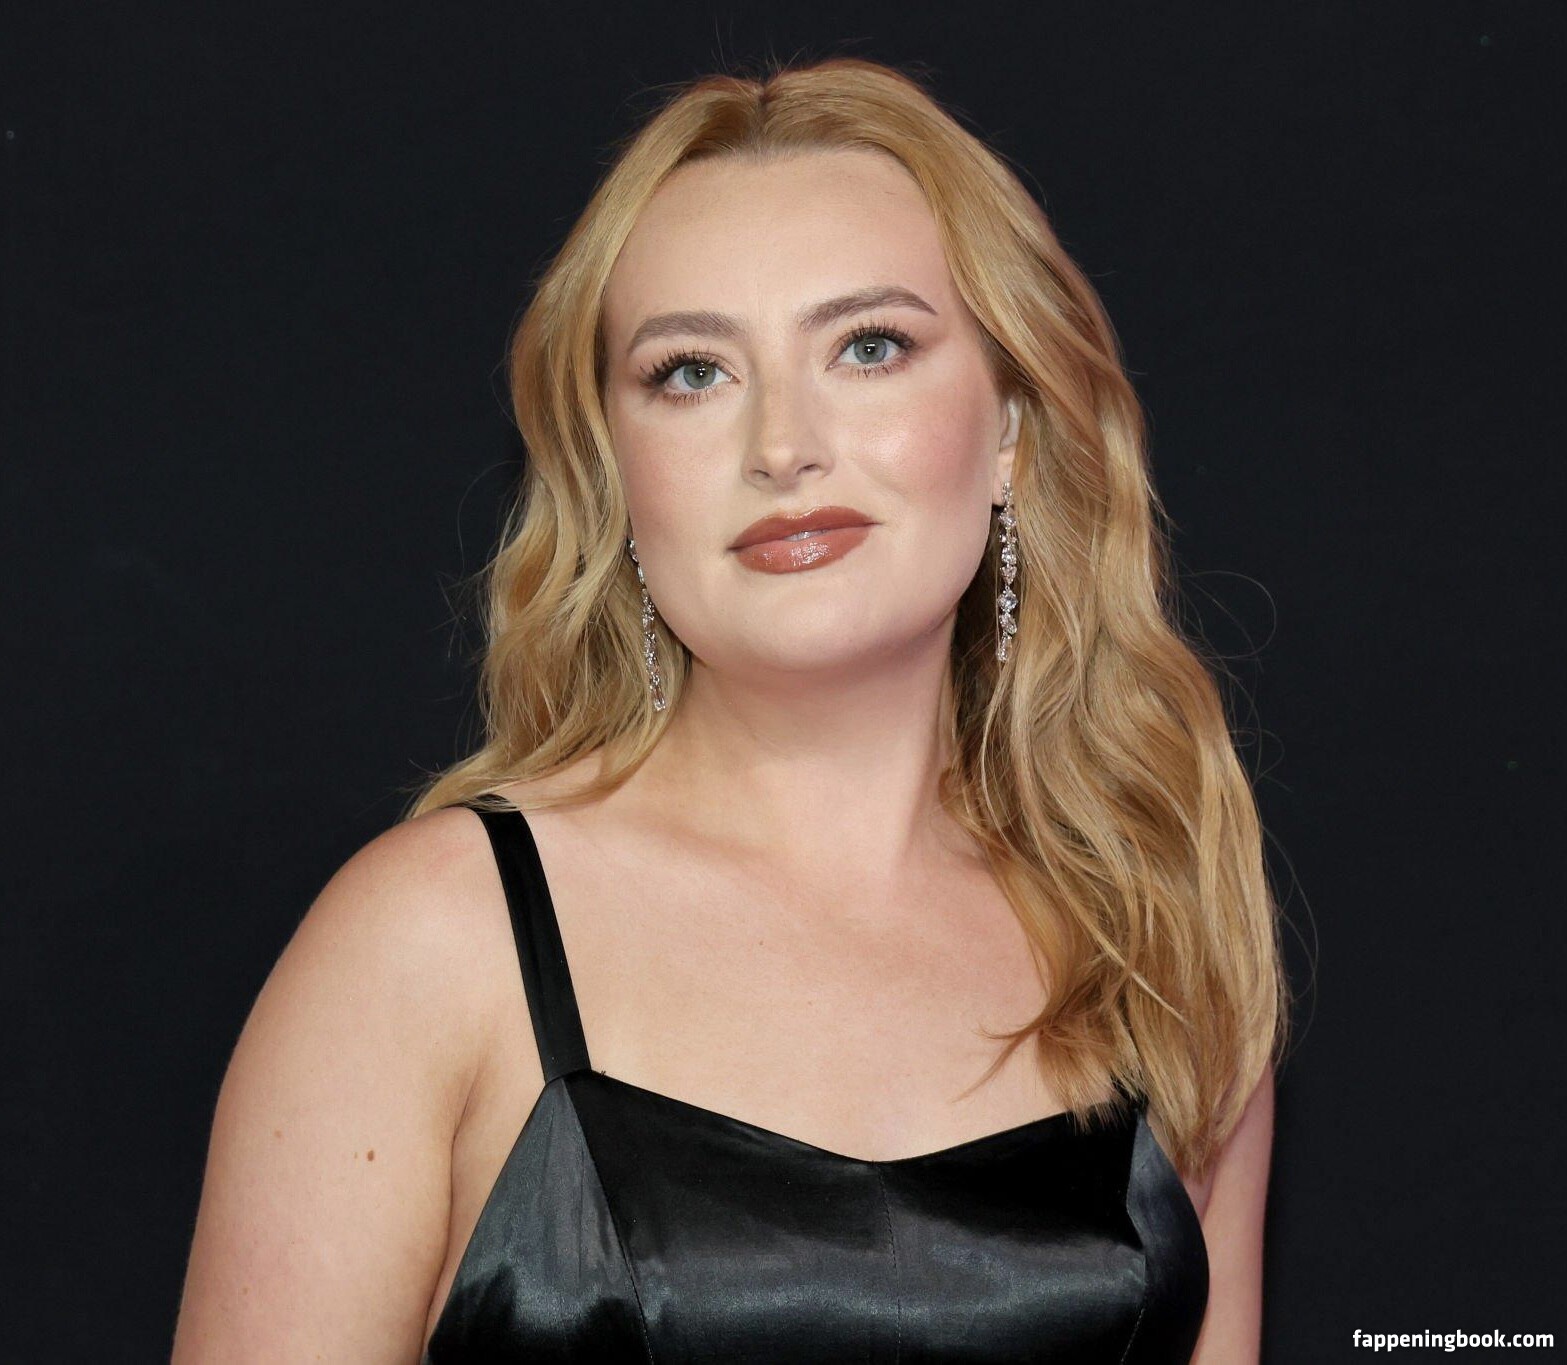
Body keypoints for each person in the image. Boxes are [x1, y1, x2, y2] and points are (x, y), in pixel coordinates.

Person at [172, 55, 1287, 1363]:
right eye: (693, 372)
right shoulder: (426, 944)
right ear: (614, 473)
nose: (782, 446)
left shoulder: (1153, 938)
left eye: (870, 347)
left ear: (1012, 429)